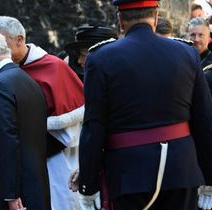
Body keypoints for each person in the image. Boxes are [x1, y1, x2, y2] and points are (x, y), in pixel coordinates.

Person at [69, 1, 212, 210]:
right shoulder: (186, 53)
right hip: (181, 171)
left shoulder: (100, 58)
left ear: (120, 21)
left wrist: (88, 185)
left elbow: (94, 127)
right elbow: (204, 120)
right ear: (155, 16)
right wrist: (209, 178)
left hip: (129, 174)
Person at [0, 16, 85, 210]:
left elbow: (70, 130)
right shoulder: (2, 72)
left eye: (2, 43)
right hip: (23, 164)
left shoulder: (54, 67)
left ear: (19, 40)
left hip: (57, 159)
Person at [0, 29, 50, 210]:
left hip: (9, 194)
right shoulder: (29, 80)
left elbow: (6, 141)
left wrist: (10, 195)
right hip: (36, 185)